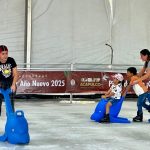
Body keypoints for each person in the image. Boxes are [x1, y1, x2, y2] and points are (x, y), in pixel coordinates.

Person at [0, 45, 18, 116]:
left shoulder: (11, 60)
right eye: (3, 54)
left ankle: (11, 123)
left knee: (10, 107)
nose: (5, 56)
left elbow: (16, 74)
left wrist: (13, 85)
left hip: (9, 85)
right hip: (0, 84)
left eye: (6, 53)